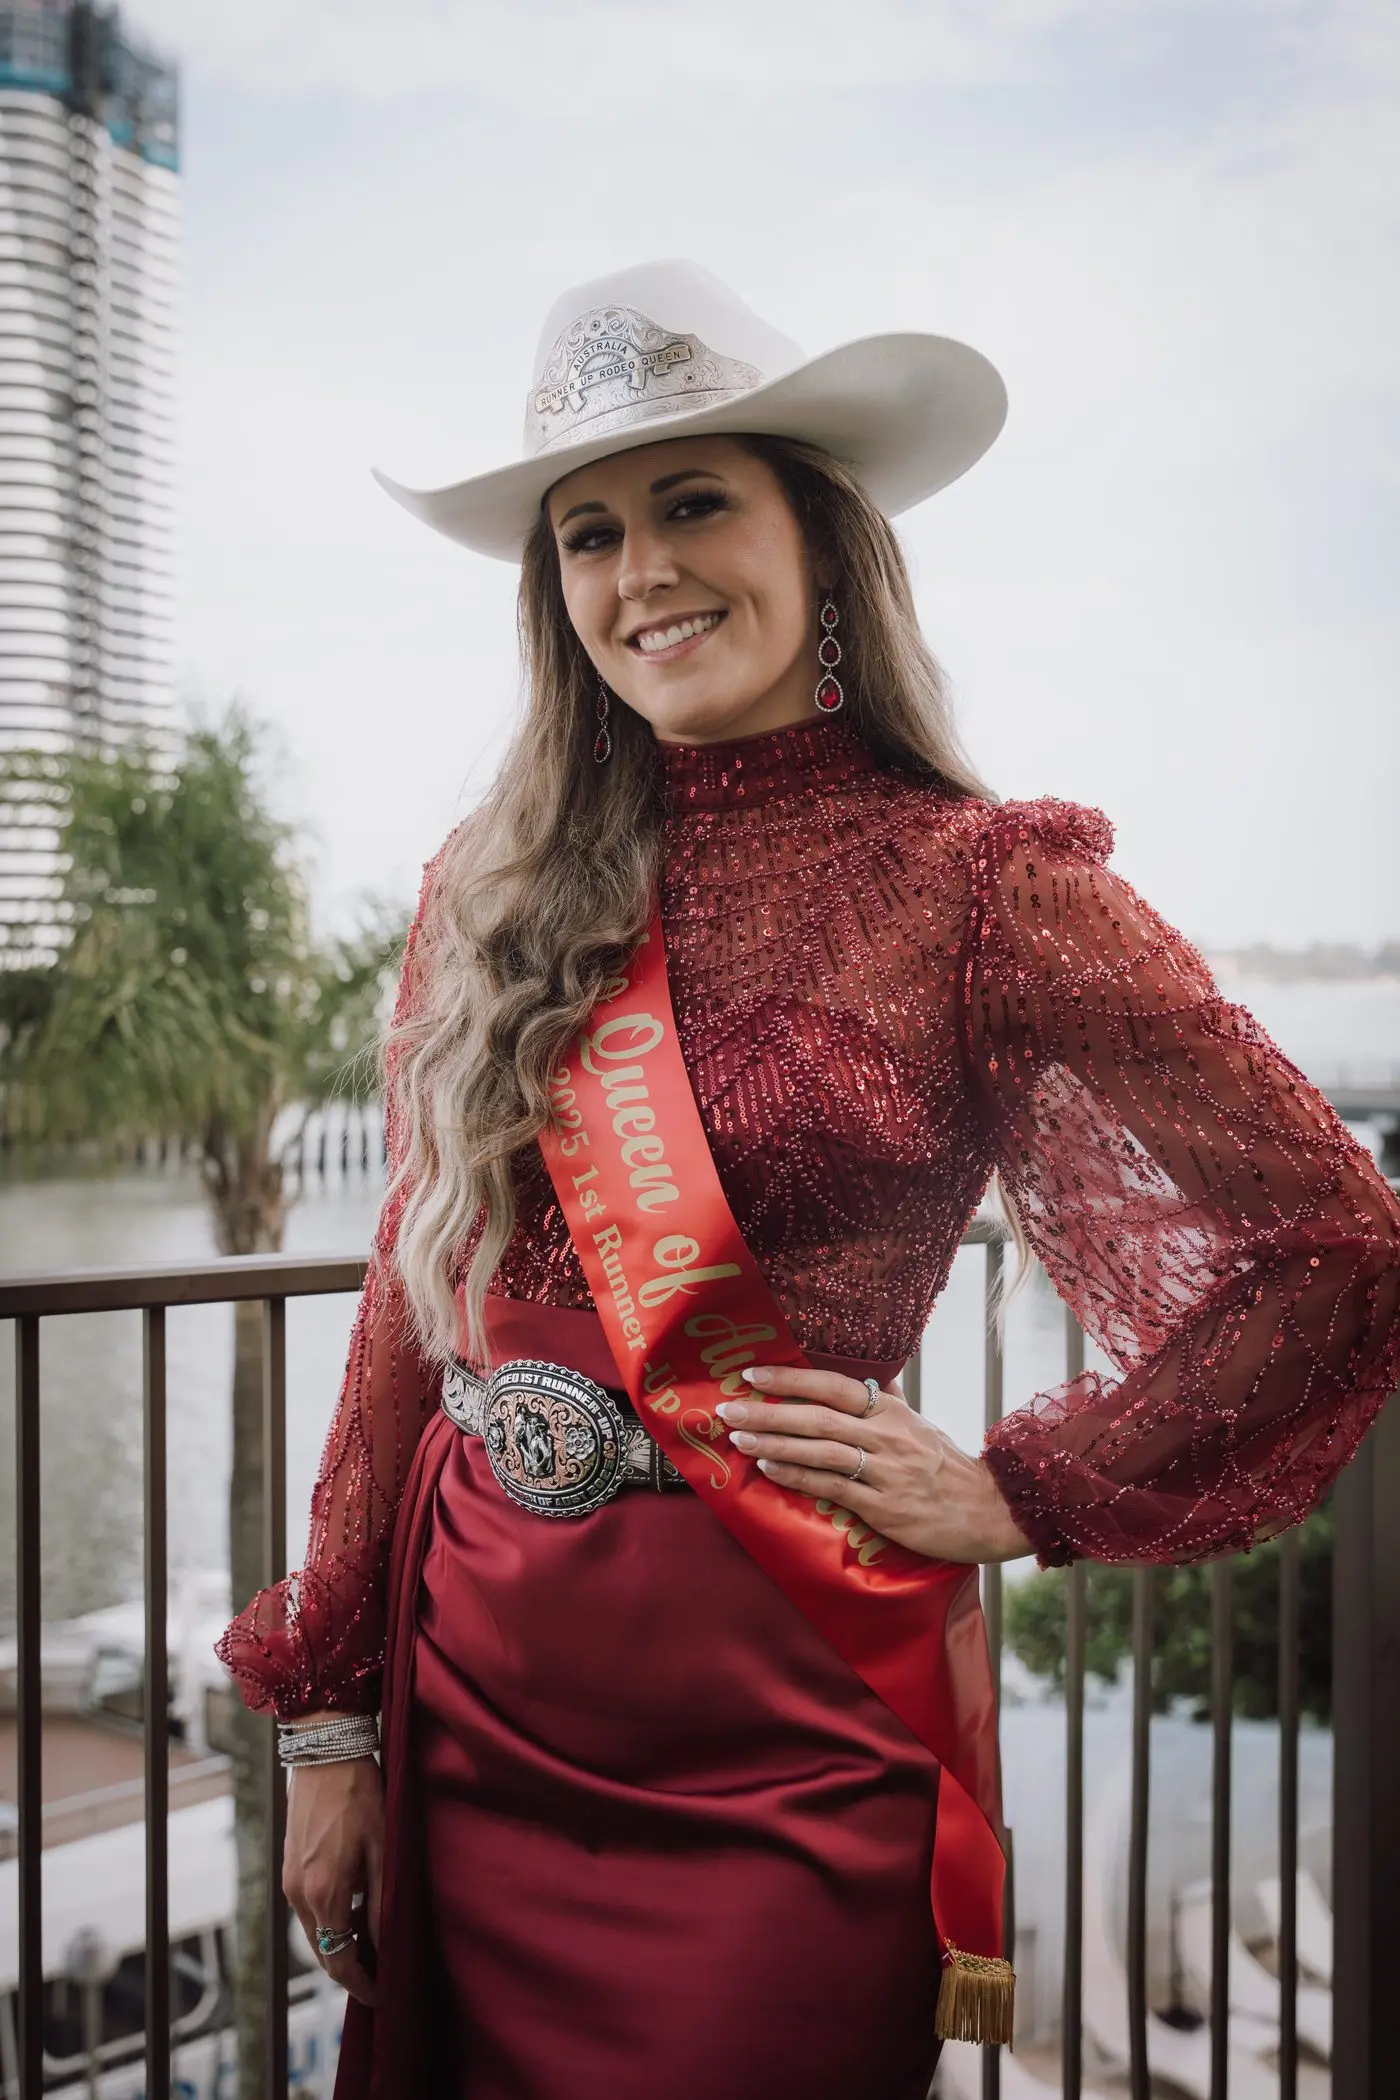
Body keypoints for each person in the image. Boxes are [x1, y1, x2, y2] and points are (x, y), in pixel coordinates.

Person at [219, 260, 1400, 2100]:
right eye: (591, 533)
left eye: (697, 501)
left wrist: (1025, 1489)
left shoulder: (986, 885)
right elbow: (410, 1285)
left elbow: (1334, 1246)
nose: (645, 572)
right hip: (475, 1676)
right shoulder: (492, 883)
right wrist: (328, 1724)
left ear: (820, 536)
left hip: (790, 1692)